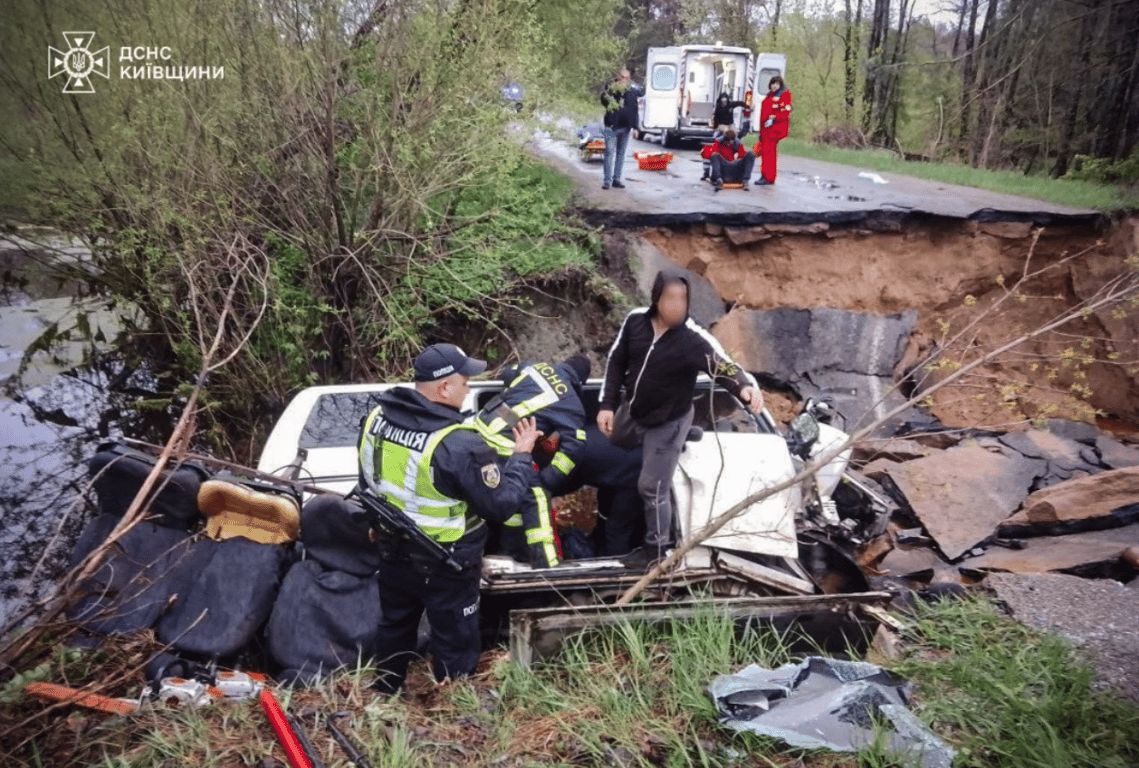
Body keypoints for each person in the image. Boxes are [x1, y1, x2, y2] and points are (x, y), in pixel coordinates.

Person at [358, 343, 543, 693]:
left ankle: (385, 692)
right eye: (464, 381)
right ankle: (453, 705)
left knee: (395, 623)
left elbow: (368, 479)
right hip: (446, 561)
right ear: (444, 388)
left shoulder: (374, 420)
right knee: (454, 635)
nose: (469, 389)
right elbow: (501, 505)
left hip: (393, 550)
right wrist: (521, 455)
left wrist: (374, 524)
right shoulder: (459, 444)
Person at [597, 271, 765, 570]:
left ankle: (658, 551)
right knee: (611, 443)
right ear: (656, 299)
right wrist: (607, 405)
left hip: (669, 420)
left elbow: (721, 366)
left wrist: (743, 387)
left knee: (651, 487)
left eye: (682, 299)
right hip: (635, 411)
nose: (676, 305)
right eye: (670, 298)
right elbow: (616, 360)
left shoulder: (691, 340)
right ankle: (663, 449)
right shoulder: (636, 321)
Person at [473, 356, 592, 567]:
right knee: (536, 498)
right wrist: (548, 479)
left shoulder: (537, 367)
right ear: (580, 382)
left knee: (514, 500)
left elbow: (508, 374)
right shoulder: (572, 404)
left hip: (481, 428)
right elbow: (573, 448)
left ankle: (513, 551)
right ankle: (548, 565)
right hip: (503, 446)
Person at [599, 68, 643, 190]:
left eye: (627, 78)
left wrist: (635, 127)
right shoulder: (610, 90)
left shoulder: (632, 91)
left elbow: (635, 110)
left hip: (626, 127)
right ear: (617, 77)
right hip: (611, 126)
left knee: (620, 154)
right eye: (623, 77)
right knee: (609, 153)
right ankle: (607, 181)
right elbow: (603, 100)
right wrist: (611, 88)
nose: (625, 80)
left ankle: (616, 179)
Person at [753, 75, 792, 185]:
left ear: (780, 85)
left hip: (774, 131)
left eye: (777, 84)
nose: (774, 86)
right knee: (765, 154)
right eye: (773, 84)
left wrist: (774, 119)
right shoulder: (770, 95)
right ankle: (765, 175)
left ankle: (768, 177)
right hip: (766, 131)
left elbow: (785, 113)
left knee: (769, 155)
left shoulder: (784, 94)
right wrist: (761, 132)